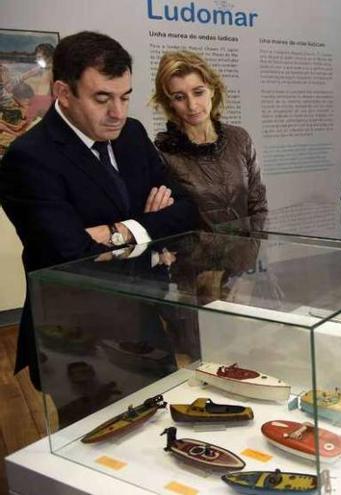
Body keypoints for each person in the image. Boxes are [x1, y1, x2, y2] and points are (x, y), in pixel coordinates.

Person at [0, 31, 197, 387]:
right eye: (102, 98)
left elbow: (185, 210)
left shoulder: (132, 134)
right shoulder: (28, 157)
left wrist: (121, 231)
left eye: (125, 97)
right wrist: (151, 224)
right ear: (63, 93)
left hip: (145, 319)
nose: (117, 113)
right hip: (77, 337)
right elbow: (70, 251)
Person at [152, 50, 267, 230]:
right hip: (194, 256)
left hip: (245, 254)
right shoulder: (164, 152)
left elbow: (258, 206)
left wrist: (255, 249)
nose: (192, 105)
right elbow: (165, 220)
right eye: (179, 97)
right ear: (170, 103)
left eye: (198, 92)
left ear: (212, 89)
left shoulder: (239, 138)